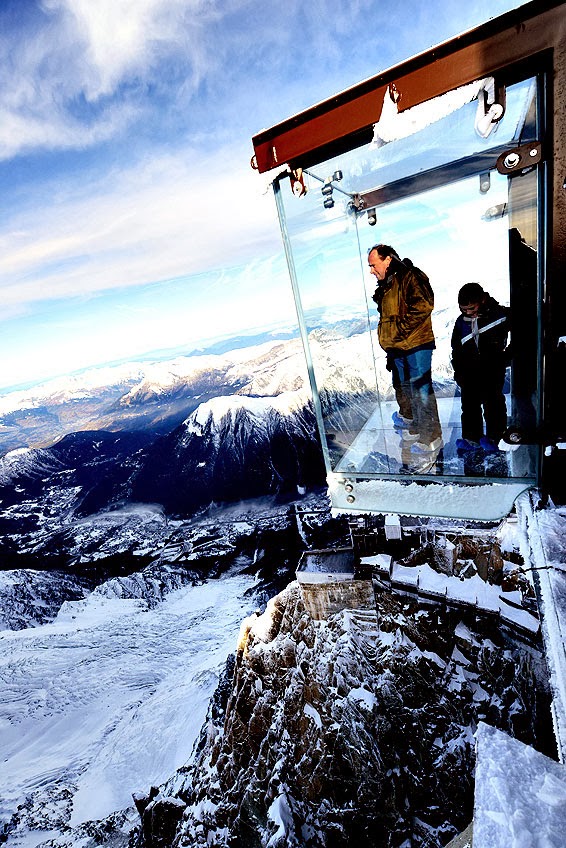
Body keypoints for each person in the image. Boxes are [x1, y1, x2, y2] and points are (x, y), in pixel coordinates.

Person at [368, 244, 442, 469]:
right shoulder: (388, 284)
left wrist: (399, 330)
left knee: (421, 390)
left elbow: (424, 305)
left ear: (387, 260)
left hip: (416, 344)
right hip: (399, 347)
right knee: (405, 388)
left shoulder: (410, 276)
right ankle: (416, 427)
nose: (371, 270)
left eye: (373, 265)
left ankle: (431, 437)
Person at [451, 282, 510, 454]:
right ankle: (472, 438)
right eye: (463, 309)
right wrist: (458, 372)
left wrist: (506, 356)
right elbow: (456, 349)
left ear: (483, 300)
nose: (468, 313)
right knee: (469, 405)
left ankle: (495, 438)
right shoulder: (461, 322)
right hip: (469, 372)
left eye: (471, 308)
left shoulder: (500, 315)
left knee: (493, 403)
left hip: (492, 370)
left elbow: (523, 332)